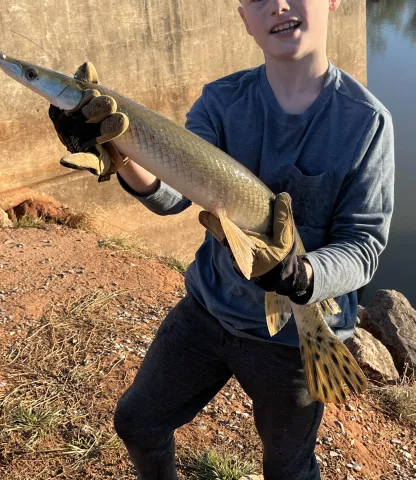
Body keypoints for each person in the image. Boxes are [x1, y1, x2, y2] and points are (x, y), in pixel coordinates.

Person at [48, 0, 395, 478]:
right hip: (209, 310)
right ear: (243, 17)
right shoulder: (221, 100)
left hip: (294, 342)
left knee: (289, 467)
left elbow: (363, 244)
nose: (277, 4)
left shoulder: (367, 121)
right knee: (138, 422)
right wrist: (120, 154)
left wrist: (303, 275)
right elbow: (173, 197)